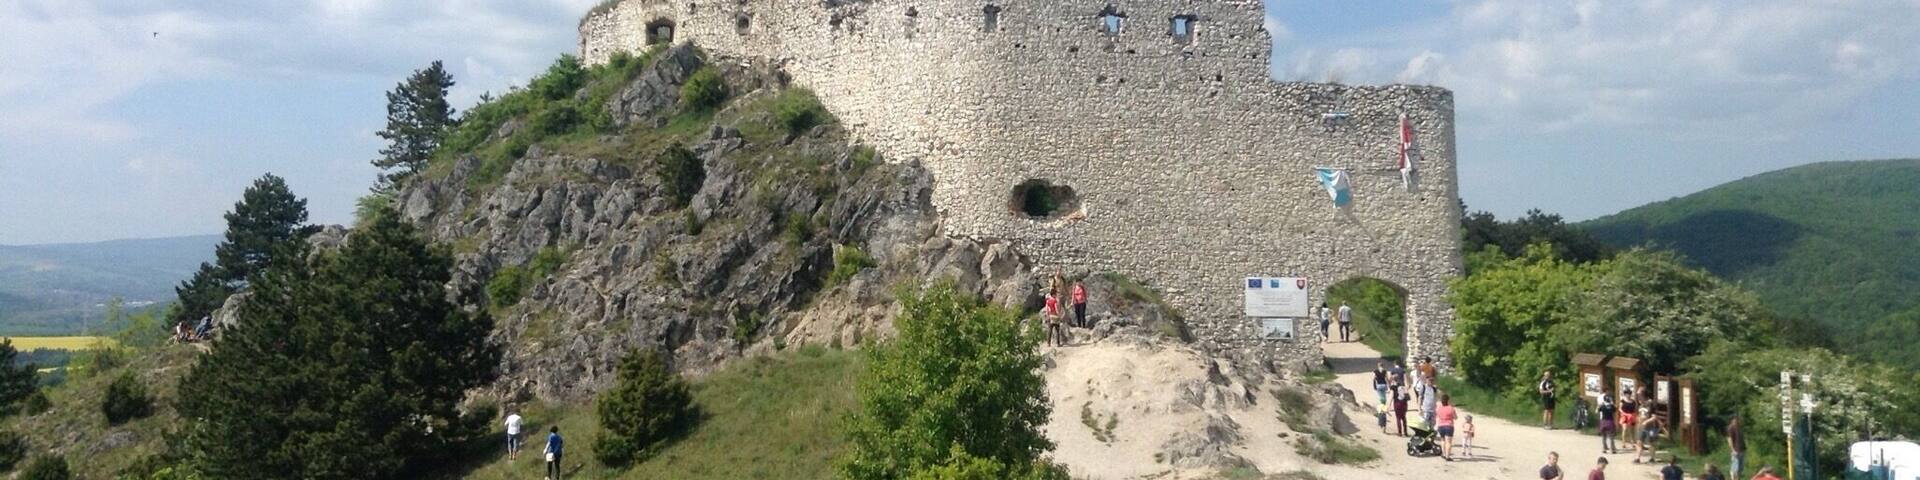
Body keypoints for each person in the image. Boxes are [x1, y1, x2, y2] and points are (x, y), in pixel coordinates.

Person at [1436, 394, 1458, 461]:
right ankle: (1447, 456)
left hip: (1440, 425)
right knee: (1448, 442)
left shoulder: (1438, 408)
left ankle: (1443, 454)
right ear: (1448, 400)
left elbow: (1438, 415)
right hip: (1449, 426)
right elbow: (1455, 417)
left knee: (1442, 440)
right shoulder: (1451, 408)